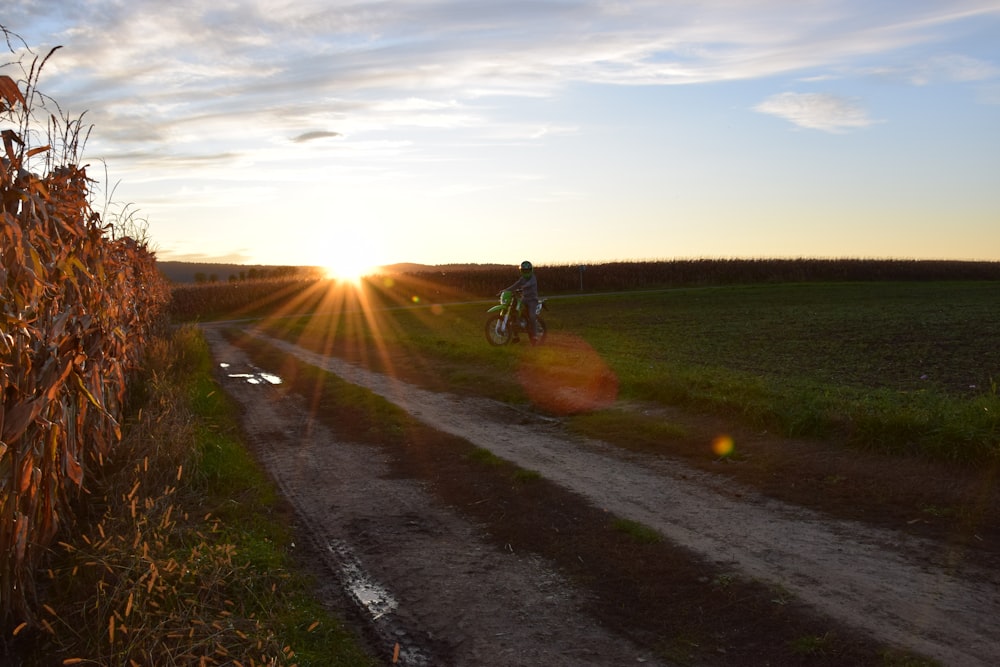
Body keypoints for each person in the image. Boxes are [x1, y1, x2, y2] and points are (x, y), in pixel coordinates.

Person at [502, 260, 540, 344]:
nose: (526, 272)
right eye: (524, 270)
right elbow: (515, 285)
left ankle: (535, 336)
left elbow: (529, 284)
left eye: (527, 270)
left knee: (532, 316)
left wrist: (522, 287)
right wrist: (505, 290)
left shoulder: (533, 278)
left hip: (532, 300)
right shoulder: (522, 278)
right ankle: (516, 336)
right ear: (521, 271)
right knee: (514, 315)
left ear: (531, 270)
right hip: (524, 299)